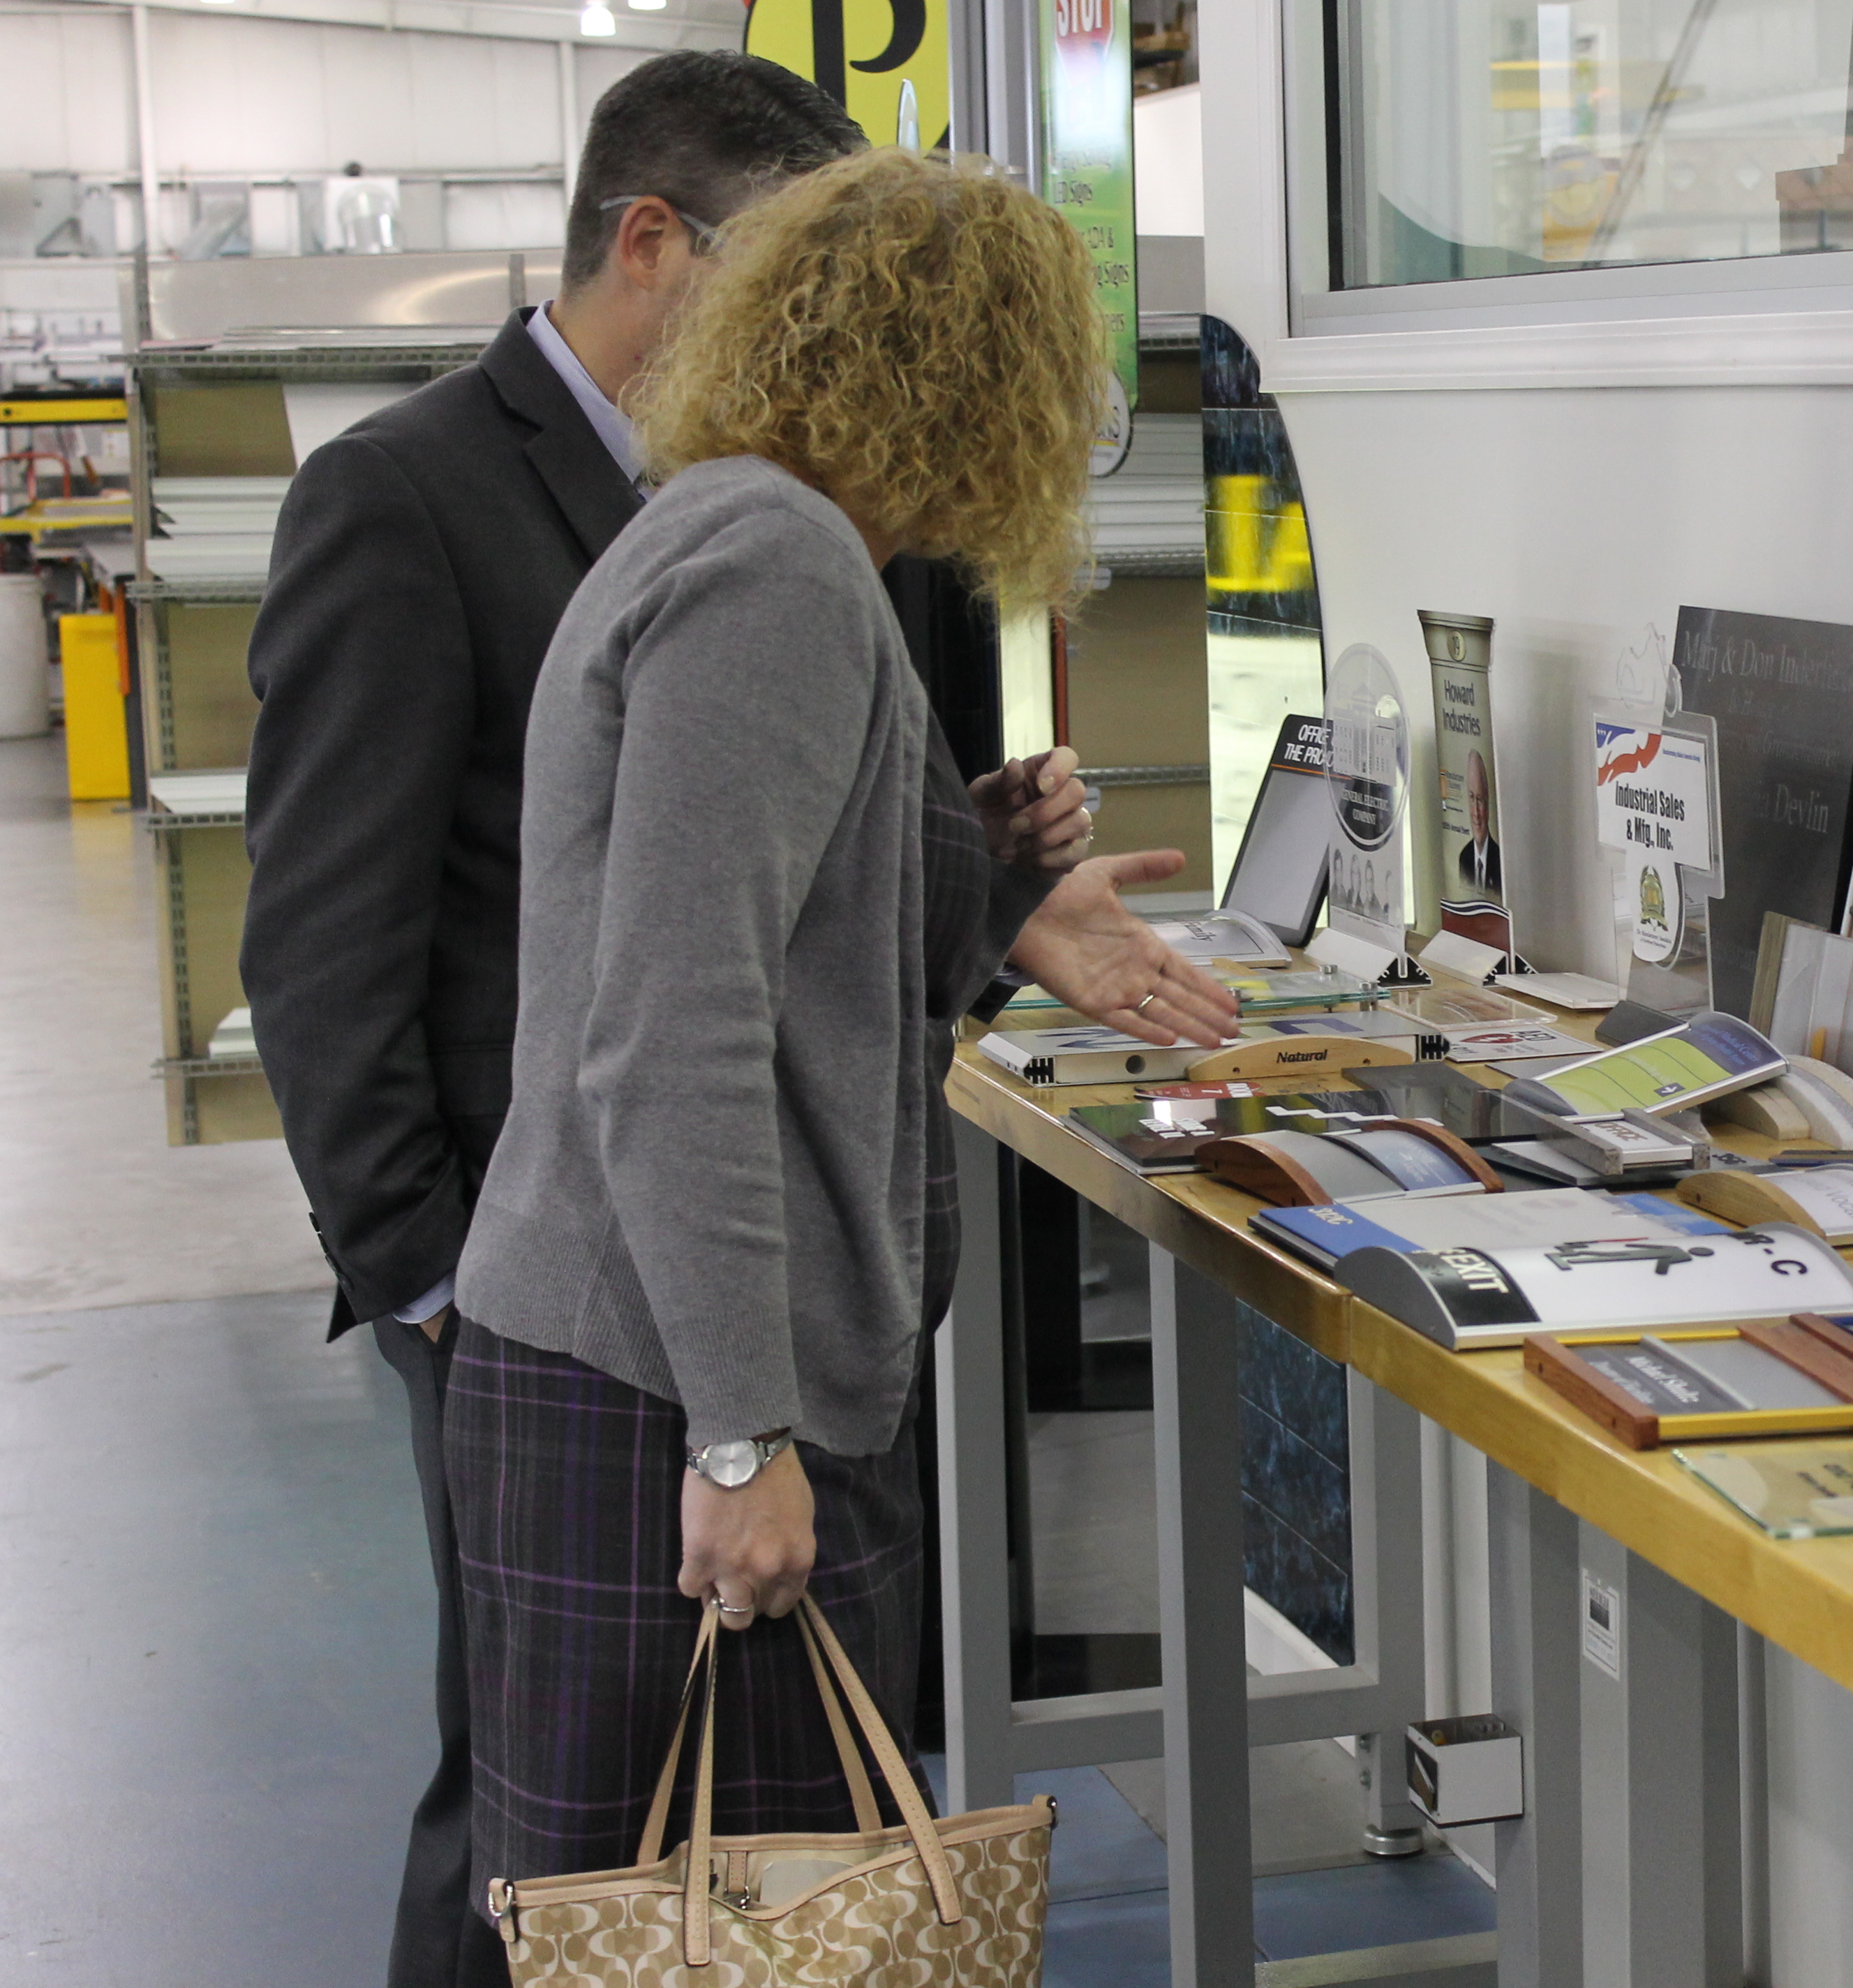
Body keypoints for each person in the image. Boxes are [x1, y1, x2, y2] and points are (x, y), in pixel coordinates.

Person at [445, 146, 1239, 1917]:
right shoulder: (778, 570)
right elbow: (674, 1028)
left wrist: (977, 870)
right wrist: (740, 1435)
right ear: (978, 380)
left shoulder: (745, 531)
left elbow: (781, 955)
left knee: (684, 1922)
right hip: (668, 1387)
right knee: (735, 1926)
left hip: (653, 1364)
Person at [241, 52, 872, 1985]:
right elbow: (322, 941)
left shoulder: (751, 492)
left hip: (694, 1266)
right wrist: (433, 1282)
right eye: (787, 266)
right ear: (652, 240)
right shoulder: (405, 493)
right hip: (522, 1283)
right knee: (525, 1811)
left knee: (648, 1816)